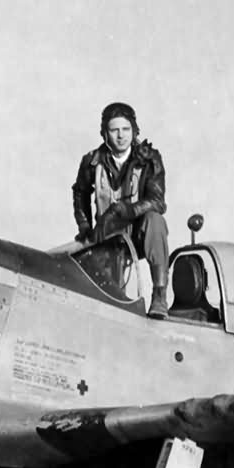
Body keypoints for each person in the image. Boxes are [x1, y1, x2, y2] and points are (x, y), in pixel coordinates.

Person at [72, 101, 170, 317]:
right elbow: (80, 192)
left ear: (134, 130)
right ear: (104, 133)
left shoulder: (149, 158)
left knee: (156, 221)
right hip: (107, 234)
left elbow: (157, 201)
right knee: (109, 304)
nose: (121, 135)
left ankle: (159, 294)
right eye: (114, 130)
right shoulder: (91, 161)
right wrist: (85, 225)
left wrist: (126, 210)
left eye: (126, 129)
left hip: (138, 233)